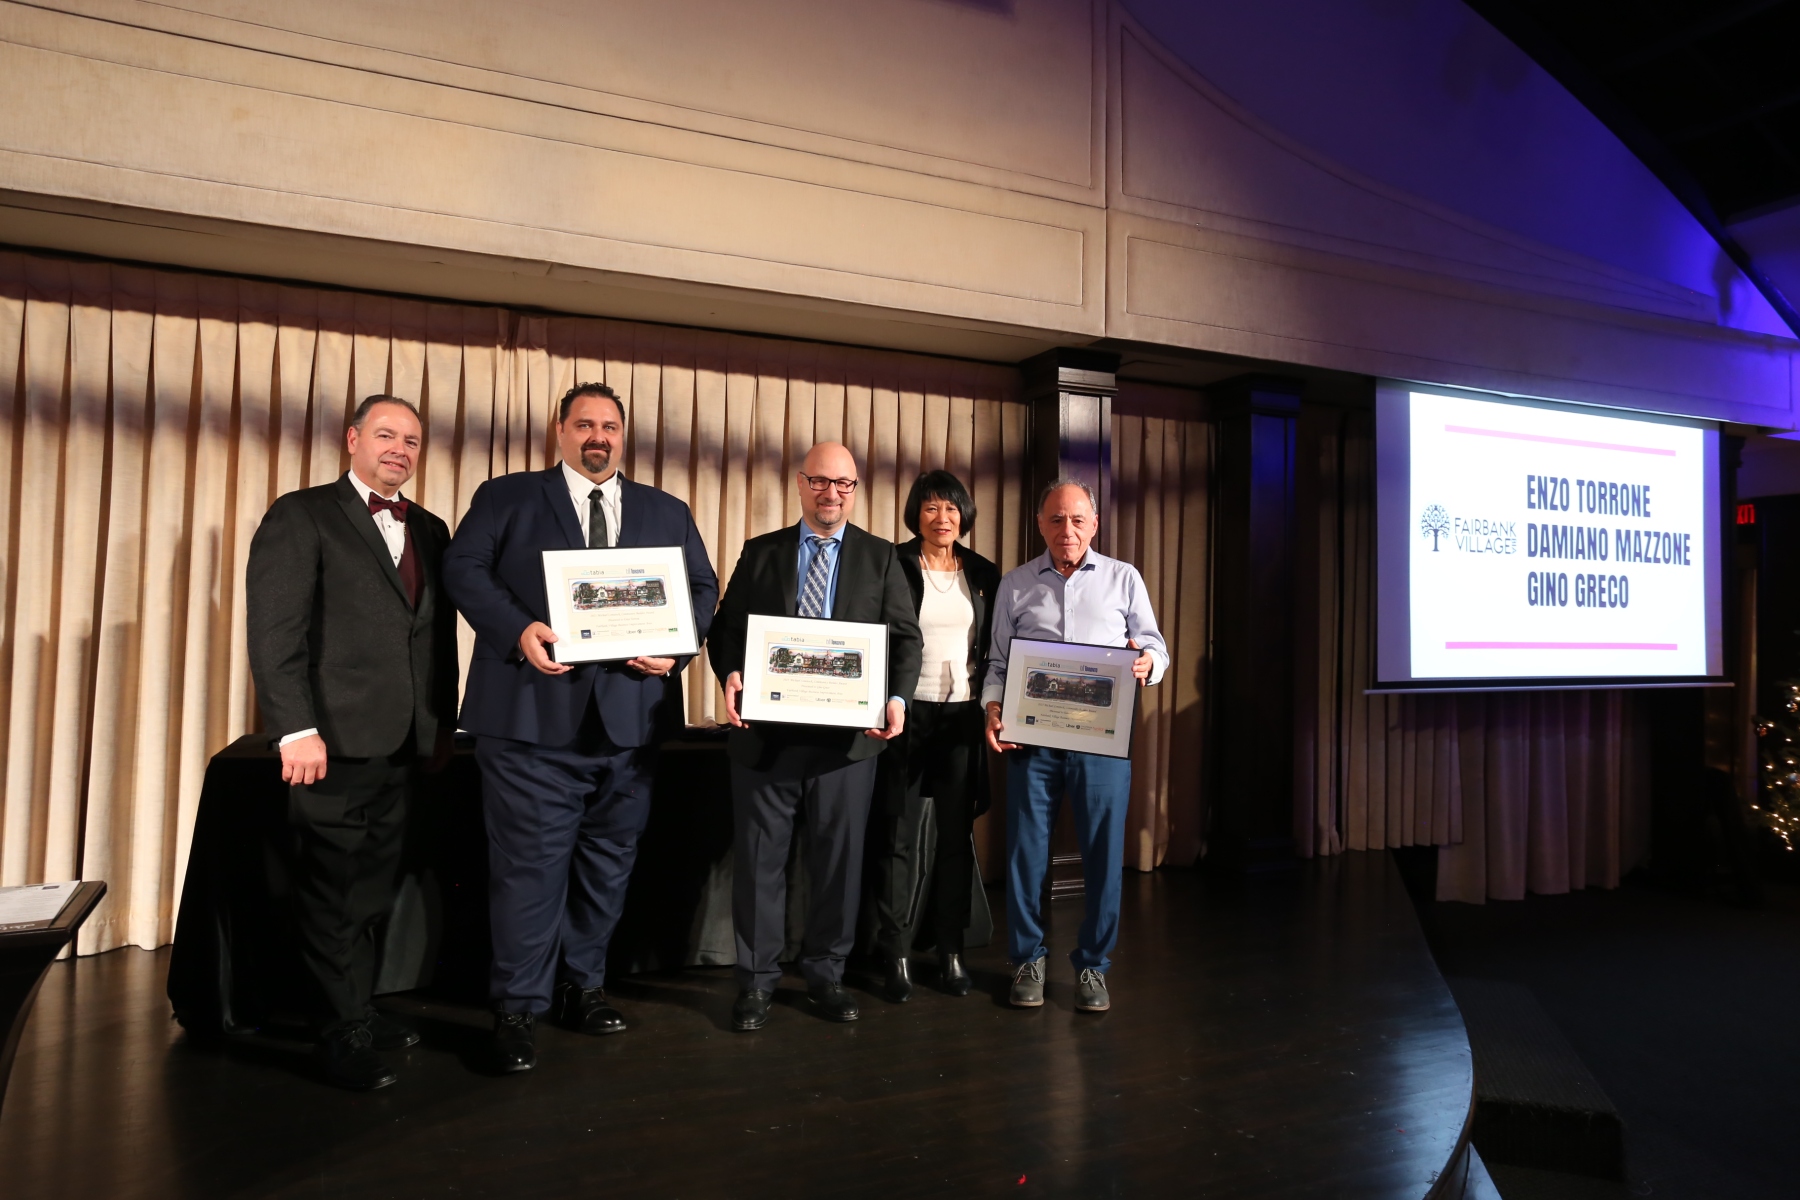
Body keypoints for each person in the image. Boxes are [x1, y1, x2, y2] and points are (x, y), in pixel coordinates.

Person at [442, 382, 718, 1073]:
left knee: (607, 866)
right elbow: (463, 568)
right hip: (530, 721)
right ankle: (518, 1008)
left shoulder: (666, 510)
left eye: (611, 426)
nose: (599, 437)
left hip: (631, 725)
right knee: (528, 872)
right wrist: (517, 629)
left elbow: (702, 589)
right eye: (585, 424)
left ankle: (581, 987)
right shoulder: (506, 497)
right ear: (560, 431)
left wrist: (678, 646)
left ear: (623, 436)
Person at [246, 394, 459, 1091]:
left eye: (412, 440)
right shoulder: (301, 514)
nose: (399, 449)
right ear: (353, 439)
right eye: (386, 435)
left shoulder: (430, 527)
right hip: (330, 743)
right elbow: (275, 632)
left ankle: (355, 1009)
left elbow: (435, 638)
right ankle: (339, 1032)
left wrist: (441, 723)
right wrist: (295, 728)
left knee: (368, 891)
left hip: (405, 742)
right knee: (330, 891)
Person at [708, 442, 922, 1031]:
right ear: (801, 484)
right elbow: (726, 631)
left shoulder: (881, 557)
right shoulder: (761, 551)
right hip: (767, 738)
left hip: (847, 744)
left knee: (839, 865)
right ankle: (756, 981)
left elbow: (905, 640)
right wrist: (731, 673)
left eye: (844, 483)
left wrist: (897, 699)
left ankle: (827, 975)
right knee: (760, 863)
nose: (832, 493)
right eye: (821, 481)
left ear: (855, 490)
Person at [984, 479, 1168, 1014]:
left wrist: (1148, 662)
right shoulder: (1016, 584)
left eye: (1078, 519)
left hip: (1100, 742)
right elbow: (998, 663)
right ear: (1041, 524)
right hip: (1032, 739)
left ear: (1095, 524)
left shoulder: (1124, 578)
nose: (1068, 529)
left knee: (1104, 855)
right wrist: (992, 708)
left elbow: (1154, 646)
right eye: (1057, 519)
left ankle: (1093, 965)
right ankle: (1027, 959)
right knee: (1025, 854)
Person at [868, 470, 1000, 1002]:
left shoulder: (984, 572)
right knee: (896, 837)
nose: (942, 518)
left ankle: (951, 951)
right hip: (904, 713)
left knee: (955, 838)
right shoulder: (893, 563)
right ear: (915, 515)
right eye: (930, 508)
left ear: (963, 515)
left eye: (950, 508)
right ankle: (895, 951)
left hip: (961, 717)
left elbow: (994, 647)